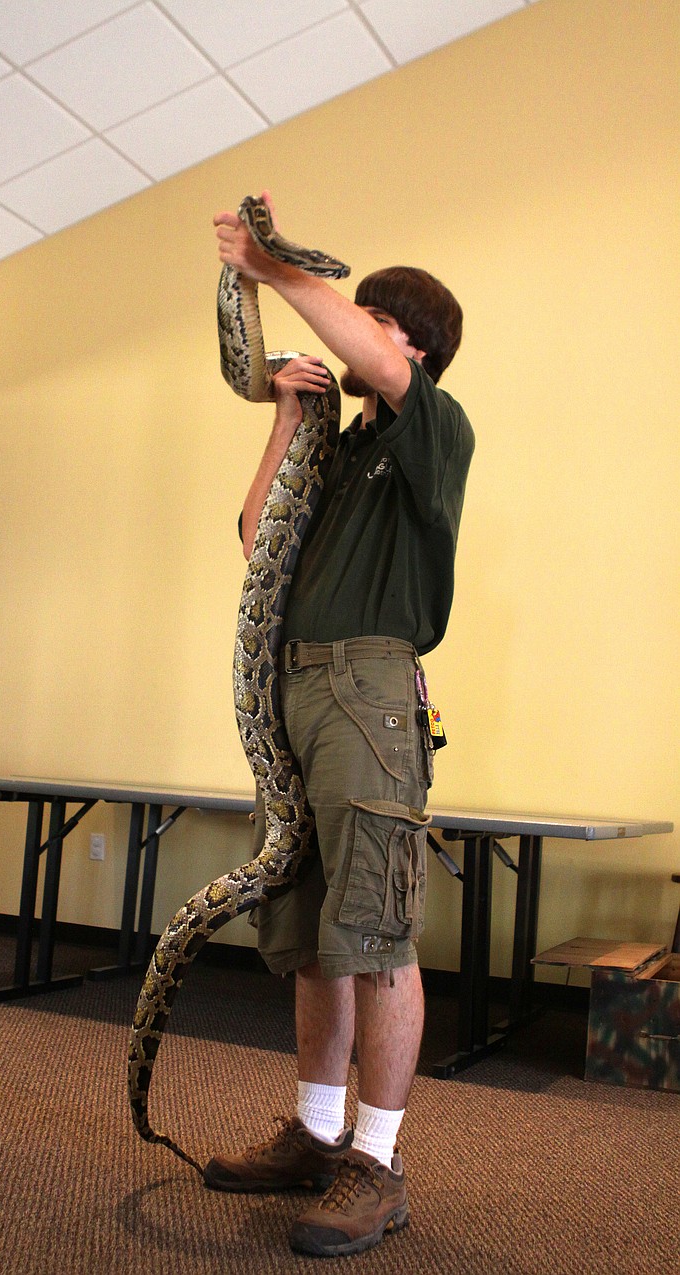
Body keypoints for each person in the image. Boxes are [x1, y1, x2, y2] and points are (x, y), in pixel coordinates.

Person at [206, 192, 474, 1259]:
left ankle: (378, 1164)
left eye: (377, 322)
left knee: (374, 935)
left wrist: (273, 271)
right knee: (315, 933)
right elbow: (250, 533)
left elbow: (370, 343)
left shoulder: (431, 432)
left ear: (410, 348)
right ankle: (316, 1137)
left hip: (370, 693)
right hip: (300, 687)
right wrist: (281, 409)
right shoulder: (341, 452)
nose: (356, 332)